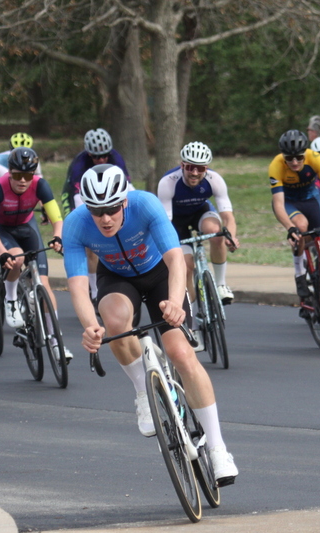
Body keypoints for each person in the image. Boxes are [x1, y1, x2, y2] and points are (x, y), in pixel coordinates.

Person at [62, 165, 238, 486]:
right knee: (113, 322)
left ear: (125, 202)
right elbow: (76, 285)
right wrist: (91, 326)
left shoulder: (145, 204)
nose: (105, 218)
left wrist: (174, 303)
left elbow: (175, 260)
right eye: (97, 210)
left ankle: (217, 448)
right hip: (116, 278)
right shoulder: (75, 225)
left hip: (159, 273)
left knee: (181, 353)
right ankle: (143, 391)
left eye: (112, 208)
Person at [0, 147, 72, 361]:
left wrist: (58, 237)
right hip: (4, 230)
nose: (23, 180)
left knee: (44, 285)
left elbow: (56, 218)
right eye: (18, 175)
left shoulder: (40, 185)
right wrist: (3, 254)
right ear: (10, 172)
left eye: (28, 175)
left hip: (26, 227)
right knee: (17, 259)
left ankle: (55, 340)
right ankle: (11, 299)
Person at [157, 141, 240, 335]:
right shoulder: (168, 182)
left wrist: (231, 237)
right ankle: (192, 310)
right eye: (189, 167)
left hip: (199, 213)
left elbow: (228, 216)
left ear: (207, 168)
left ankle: (220, 285)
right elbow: (165, 223)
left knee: (216, 233)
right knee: (185, 266)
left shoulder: (214, 180)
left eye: (200, 168)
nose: (194, 173)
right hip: (174, 221)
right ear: (182, 165)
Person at [268, 129, 320, 310]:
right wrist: (290, 227)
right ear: (283, 156)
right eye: (289, 158)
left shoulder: (317, 159)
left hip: (312, 200)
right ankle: (299, 274)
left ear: (306, 153)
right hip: (289, 203)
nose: (294, 162)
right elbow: (278, 204)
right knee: (301, 226)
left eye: (299, 157)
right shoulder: (276, 165)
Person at [61, 128, 131, 305]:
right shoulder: (79, 163)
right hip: (82, 196)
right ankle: (95, 290)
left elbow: (127, 188)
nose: (101, 159)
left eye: (104, 156)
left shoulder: (116, 158)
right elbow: (75, 199)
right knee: (90, 244)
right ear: (88, 154)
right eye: (96, 157)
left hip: (107, 195)